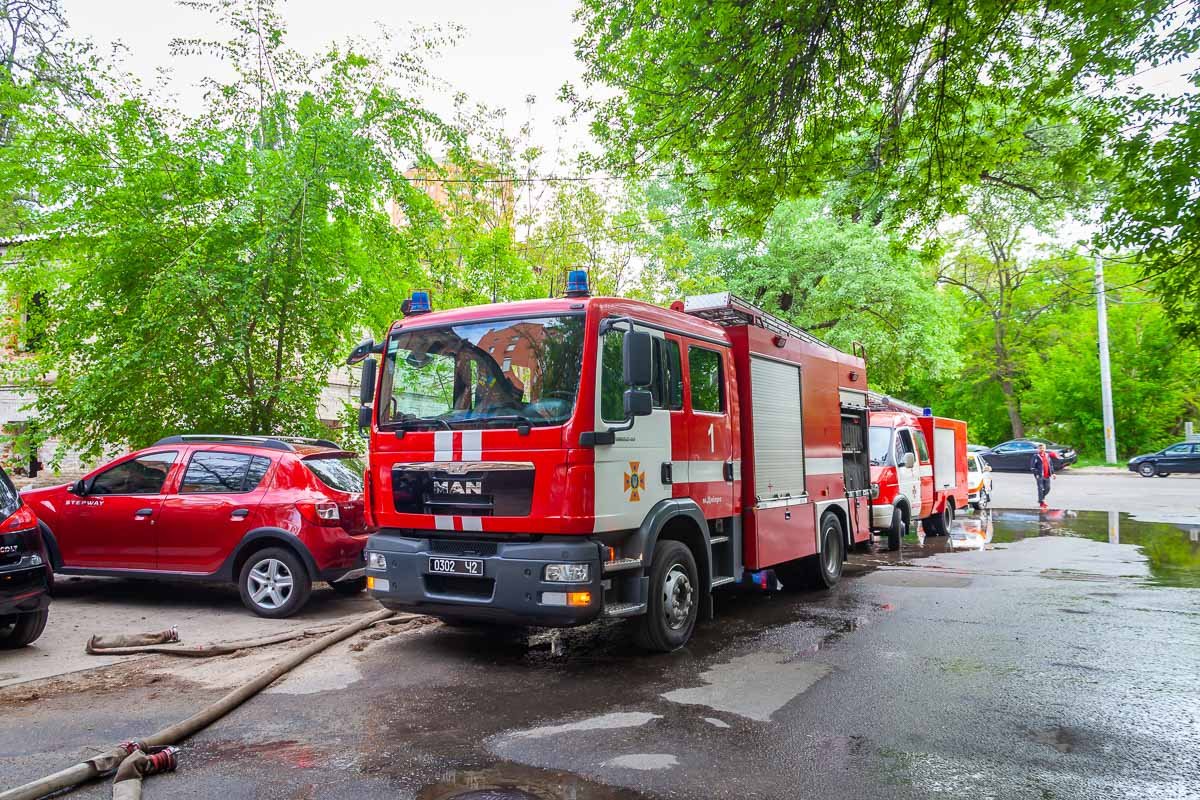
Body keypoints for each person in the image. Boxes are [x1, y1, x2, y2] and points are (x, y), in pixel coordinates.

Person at [1030, 442, 1055, 510]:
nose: (1042, 449)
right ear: (1038, 449)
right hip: (1040, 476)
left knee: (1048, 488)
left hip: (1047, 475)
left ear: (1045, 448)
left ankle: (1041, 498)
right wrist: (1037, 474)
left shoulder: (1047, 455)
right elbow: (1032, 467)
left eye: (1043, 448)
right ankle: (1042, 502)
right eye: (1040, 448)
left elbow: (1051, 465)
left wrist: (1053, 473)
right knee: (1040, 489)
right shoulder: (1036, 456)